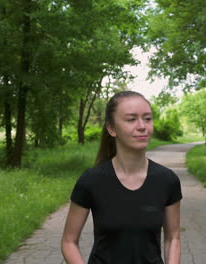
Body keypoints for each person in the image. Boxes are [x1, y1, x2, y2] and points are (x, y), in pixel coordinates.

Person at [61, 91, 182, 264]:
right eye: (131, 119)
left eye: (147, 118)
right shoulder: (91, 181)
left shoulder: (167, 180)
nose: (142, 126)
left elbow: (173, 238)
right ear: (111, 128)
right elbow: (69, 241)